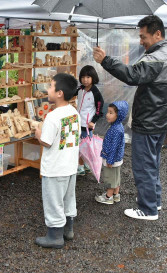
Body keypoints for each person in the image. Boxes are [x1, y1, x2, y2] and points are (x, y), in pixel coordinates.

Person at [93, 15, 167, 220]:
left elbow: (133, 75)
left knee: (143, 164)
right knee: (152, 162)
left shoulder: (156, 58)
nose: (141, 41)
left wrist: (105, 60)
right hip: (165, 119)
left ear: (158, 33)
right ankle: (154, 201)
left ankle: (148, 208)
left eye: (143, 37)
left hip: (150, 120)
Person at [34, 73, 80, 249]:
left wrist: (38, 132)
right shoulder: (73, 112)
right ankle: (68, 230)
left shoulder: (53, 116)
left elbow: (46, 141)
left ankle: (54, 236)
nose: (47, 89)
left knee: (53, 201)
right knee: (68, 199)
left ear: (59, 93)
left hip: (54, 168)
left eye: (51, 86)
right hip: (69, 166)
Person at [95, 101, 129, 205]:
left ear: (119, 115)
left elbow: (114, 147)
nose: (107, 115)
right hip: (116, 158)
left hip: (112, 159)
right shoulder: (117, 126)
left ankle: (108, 197)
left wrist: (109, 160)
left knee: (111, 179)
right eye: (108, 112)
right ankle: (116, 195)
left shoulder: (115, 129)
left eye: (111, 113)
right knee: (116, 177)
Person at [75, 65, 104, 175]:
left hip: (87, 125)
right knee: (84, 145)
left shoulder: (95, 93)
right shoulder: (80, 89)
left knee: (84, 146)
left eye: (88, 77)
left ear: (93, 78)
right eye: (83, 77)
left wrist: (93, 121)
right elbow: (71, 94)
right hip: (78, 122)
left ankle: (81, 167)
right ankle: (86, 165)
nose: (85, 80)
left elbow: (99, 109)